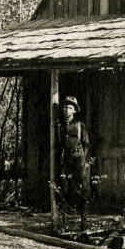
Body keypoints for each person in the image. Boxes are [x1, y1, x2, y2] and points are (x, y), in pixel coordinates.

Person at [56, 97, 91, 231]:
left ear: (75, 110)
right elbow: (57, 146)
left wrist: (85, 162)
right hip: (65, 161)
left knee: (82, 189)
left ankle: (83, 222)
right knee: (64, 189)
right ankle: (64, 223)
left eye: (70, 108)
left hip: (79, 160)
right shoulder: (59, 127)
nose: (66, 110)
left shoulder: (79, 126)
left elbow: (86, 145)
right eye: (65, 107)